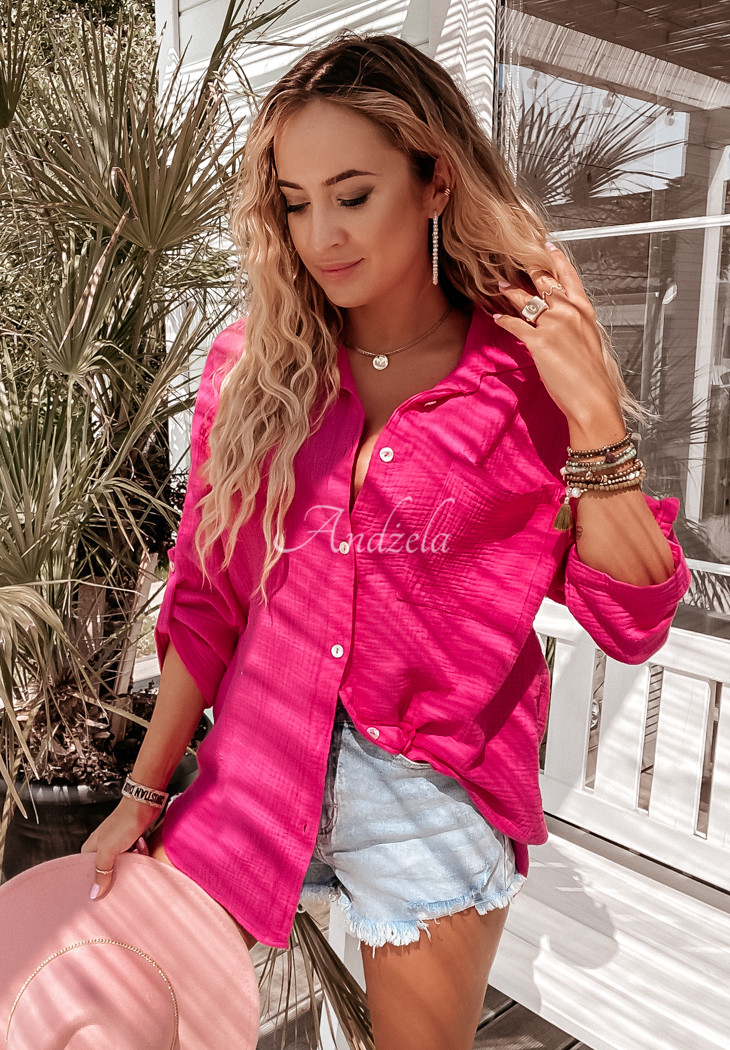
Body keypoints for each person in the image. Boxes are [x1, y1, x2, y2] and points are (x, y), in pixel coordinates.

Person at [82, 31, 690, 1050]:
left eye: (353, 194)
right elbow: (207, 599)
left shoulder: (521, 379)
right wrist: (142, 795)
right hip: (253, 765)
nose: (321, 234)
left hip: (430, 794)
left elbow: (631, 624)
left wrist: (593, 415)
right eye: (295, 202)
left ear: (435, 180)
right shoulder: (252, 369)